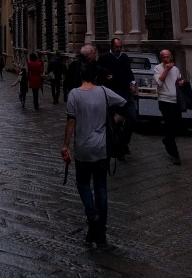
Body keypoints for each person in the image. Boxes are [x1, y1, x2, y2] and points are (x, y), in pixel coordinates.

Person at [61, 60, 126, 249]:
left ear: (81, 76)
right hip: (101, 148)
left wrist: (65, 146)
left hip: (82, 147)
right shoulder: (104, 92)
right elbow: (124, 103)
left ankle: (91, 213)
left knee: (82, 184)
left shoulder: (74, 94)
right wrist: (115, 119)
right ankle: (99, 234)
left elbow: (71, 121)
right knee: (101, 188)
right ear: (96, 77)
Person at [97, 38, 137, 157]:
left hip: (126, 94)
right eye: (116, 47)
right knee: (115, 123)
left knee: (132, 119)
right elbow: (98, 72)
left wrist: (133, 83)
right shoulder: (104, 58)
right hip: (112, 95)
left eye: (120, 47)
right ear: (111, 46)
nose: (118, 49)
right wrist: (105, 75)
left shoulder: (124, 57)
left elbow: (129, 73)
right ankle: (119, 147)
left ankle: (124, 142)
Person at [154, 49, 182, 165]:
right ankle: (174, 154)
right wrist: (166, 70)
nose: (166, 59)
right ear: (161, 58)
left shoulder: (176, 69)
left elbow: (178, 81)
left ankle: (167, 140)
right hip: (164, 101)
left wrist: (181, 83)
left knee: (177, 125)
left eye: (167, 56)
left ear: (171, 57)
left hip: (176, 101)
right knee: (170, 126)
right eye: (163, 57)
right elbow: (159, 83)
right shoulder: (157, 68)